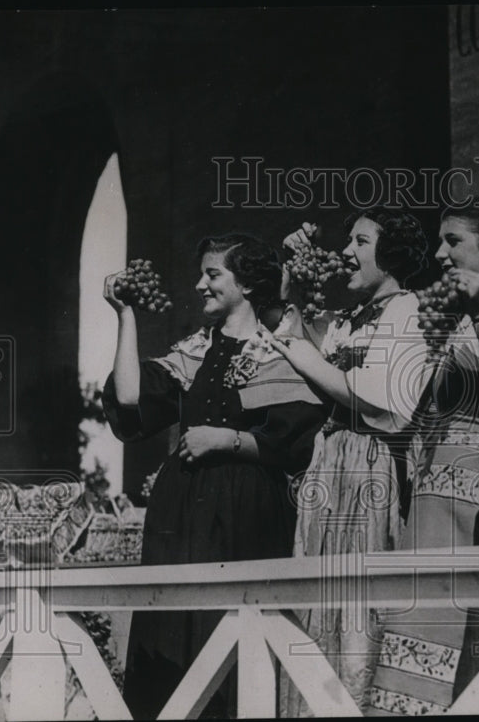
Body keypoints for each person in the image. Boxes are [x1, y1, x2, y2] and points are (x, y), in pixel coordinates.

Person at [102, 233, 329, 719]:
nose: (199, 284)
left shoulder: (280, 351)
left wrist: (225, 440)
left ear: (246, 284)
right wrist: (125, 315)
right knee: (171, 636)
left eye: (213, 274)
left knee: (233, 637)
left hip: (247, 511)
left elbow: (295, 439)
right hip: (180, 514)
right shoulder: (194, 350)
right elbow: (128, 399)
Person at [365, 203, 479, 716]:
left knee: (471, 650)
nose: (440, 253)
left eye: (453, 241)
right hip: (434, 503)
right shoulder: (454, 311)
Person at [268, 207, 432, 714]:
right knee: (319, 602)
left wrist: (306, 356)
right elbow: (297, 335)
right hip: (332, 465)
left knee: (359, 607)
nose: (346, 253)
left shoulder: (410, 311)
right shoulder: (352, 319)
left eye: (361, 242)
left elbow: (384, 402)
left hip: (369, 470)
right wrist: (290, 279)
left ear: (393, 254)